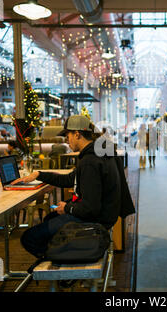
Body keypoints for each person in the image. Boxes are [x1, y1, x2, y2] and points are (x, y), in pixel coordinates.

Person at [12, 115, 135, 273]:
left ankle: (65, 267)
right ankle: (62, 258)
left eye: (67, 135)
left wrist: (68, 208)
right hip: (106, 216)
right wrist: (39, 175)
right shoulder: (99, 152)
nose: (66, 140)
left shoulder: (90, 161)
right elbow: (71, 179)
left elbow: (90, 208)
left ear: (77, 134)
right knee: (50, 219)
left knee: (29, 237)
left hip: (96, 221)